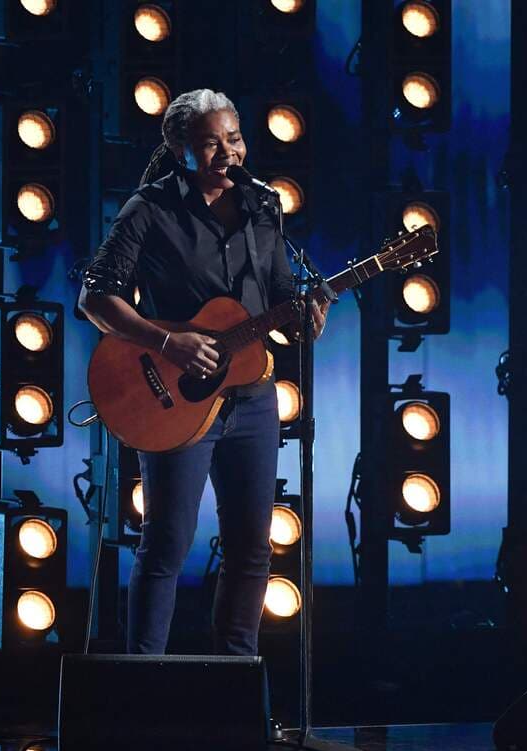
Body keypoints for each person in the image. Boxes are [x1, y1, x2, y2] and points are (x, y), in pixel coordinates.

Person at [78, 88, 329, 655]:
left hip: (253, 398)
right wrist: (169, 341)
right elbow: (95, 299)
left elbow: (279, 295)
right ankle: (144, 679)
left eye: (234, 139)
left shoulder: (263, 206)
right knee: (166, 543)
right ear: (180, 151)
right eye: (211, 144)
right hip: (174, 397)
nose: (227, 154)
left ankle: (234, 681)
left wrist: (304, 320)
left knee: (252, 548)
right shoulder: (149, 209)